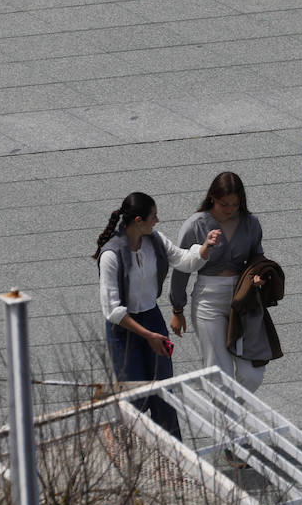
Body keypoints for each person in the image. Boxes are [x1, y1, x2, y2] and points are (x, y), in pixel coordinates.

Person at [95, 192, 222, 440]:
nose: (158, 220)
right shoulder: (111, 255)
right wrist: (147, 335)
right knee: (135, 394)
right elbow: (112, 310)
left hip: (151, 317)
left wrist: (205, 247)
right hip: (125, 329)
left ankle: (172, 453)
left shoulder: (155, 241)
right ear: (139, 220)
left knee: (164, 389)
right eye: (154, 216)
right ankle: (128, 443)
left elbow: (183, 260)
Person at [169, 173, 268, 394]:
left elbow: (257, 257)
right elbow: (181, 268)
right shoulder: (195, 225)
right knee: (218, 372)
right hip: (208, 298)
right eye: (224, 204)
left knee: (252, 373)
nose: (230, 209)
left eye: (235, 204)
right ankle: (227, 425)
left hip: (243, 299)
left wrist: (259, 275)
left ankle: (230, 417)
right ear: (213, 197)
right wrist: (177, 308)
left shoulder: (250, 223)